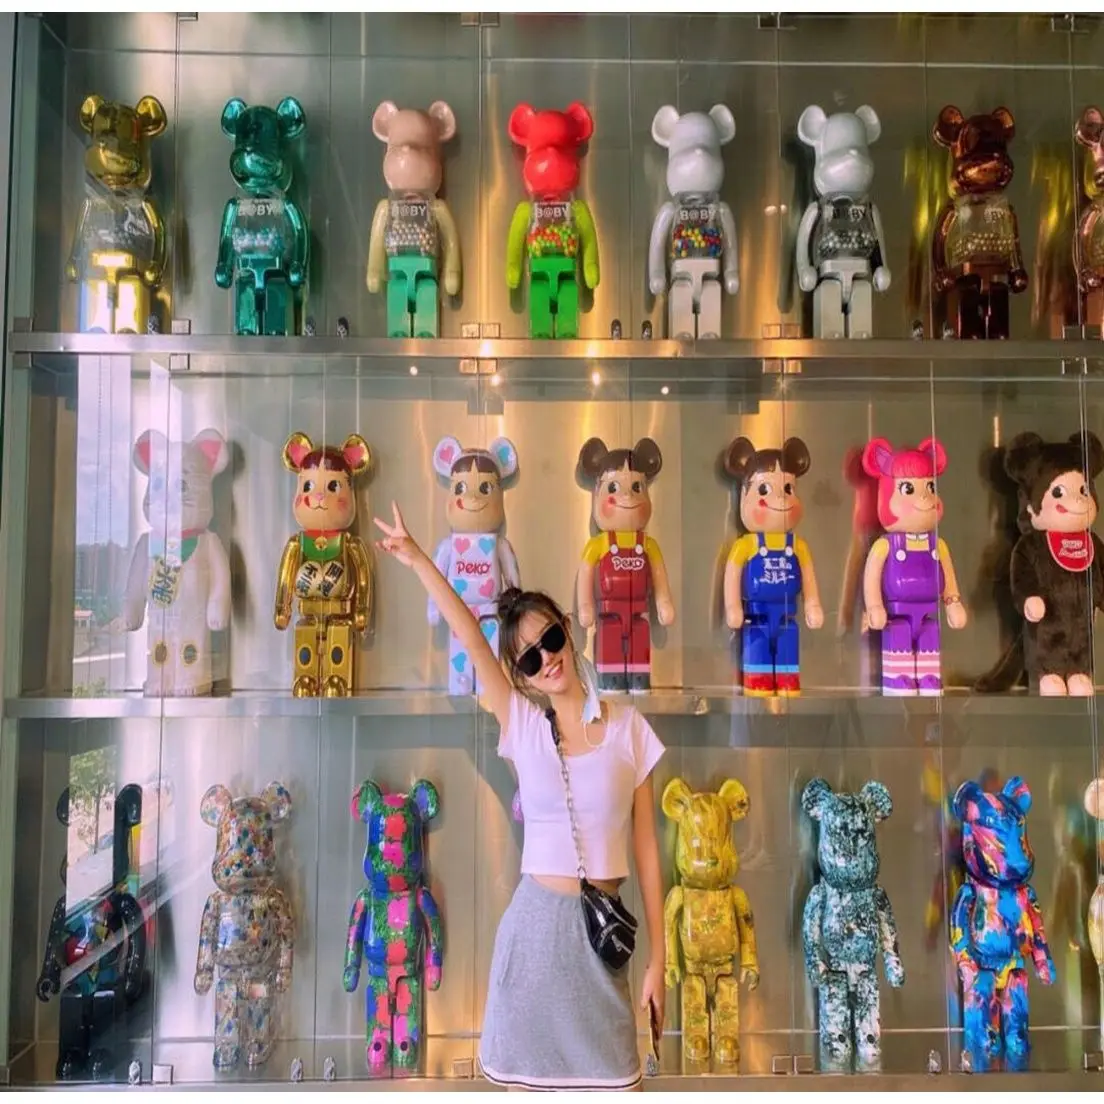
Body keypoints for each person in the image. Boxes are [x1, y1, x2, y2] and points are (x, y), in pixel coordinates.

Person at [374, 502, 666, 1092]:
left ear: (567, 629)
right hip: (533, 938)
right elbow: (466, 630)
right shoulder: (523, 725)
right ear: (521, 674)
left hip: (599, 938)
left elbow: (647, 852)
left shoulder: (630, 729)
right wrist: (418, 558)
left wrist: (660, 958)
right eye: (530, 657)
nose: (547, 658)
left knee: (617, 1081)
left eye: (551, 638)